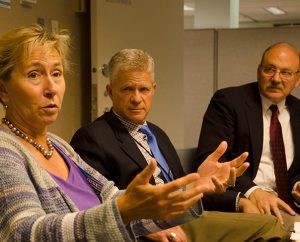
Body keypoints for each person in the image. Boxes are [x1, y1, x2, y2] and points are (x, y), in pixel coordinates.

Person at [0, 24, 251, 242]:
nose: (51, 87)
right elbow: (23, 232)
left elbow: (124, 205)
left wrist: (195, 187)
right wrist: (122, 211)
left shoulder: (59, 146)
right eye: (34, 75)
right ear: (3, 91)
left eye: (56, 74)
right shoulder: (5, 150)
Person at [71, 48, 289, 241]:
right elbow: (93, 209)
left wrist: (237, 200)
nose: (137, 98)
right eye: (127, 89)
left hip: (187, 215)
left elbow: (183, 190)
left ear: (154, 89)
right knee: (269, 227)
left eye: (144, 90)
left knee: (279, 225)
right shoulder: (92, 137)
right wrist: (144, 228)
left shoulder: (157, 134)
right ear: (110, 91)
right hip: (153, 228)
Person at [195, 42, 300, 232]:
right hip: (250, 200)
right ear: (259, 70)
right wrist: (253, 191)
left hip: (291, 203)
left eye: (286, 73)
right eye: (270, 69)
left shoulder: (299, 111)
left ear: (297, 79)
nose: (276, 78)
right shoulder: (229, 101)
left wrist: (298, 185)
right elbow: (211, 161)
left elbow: (296, 170)